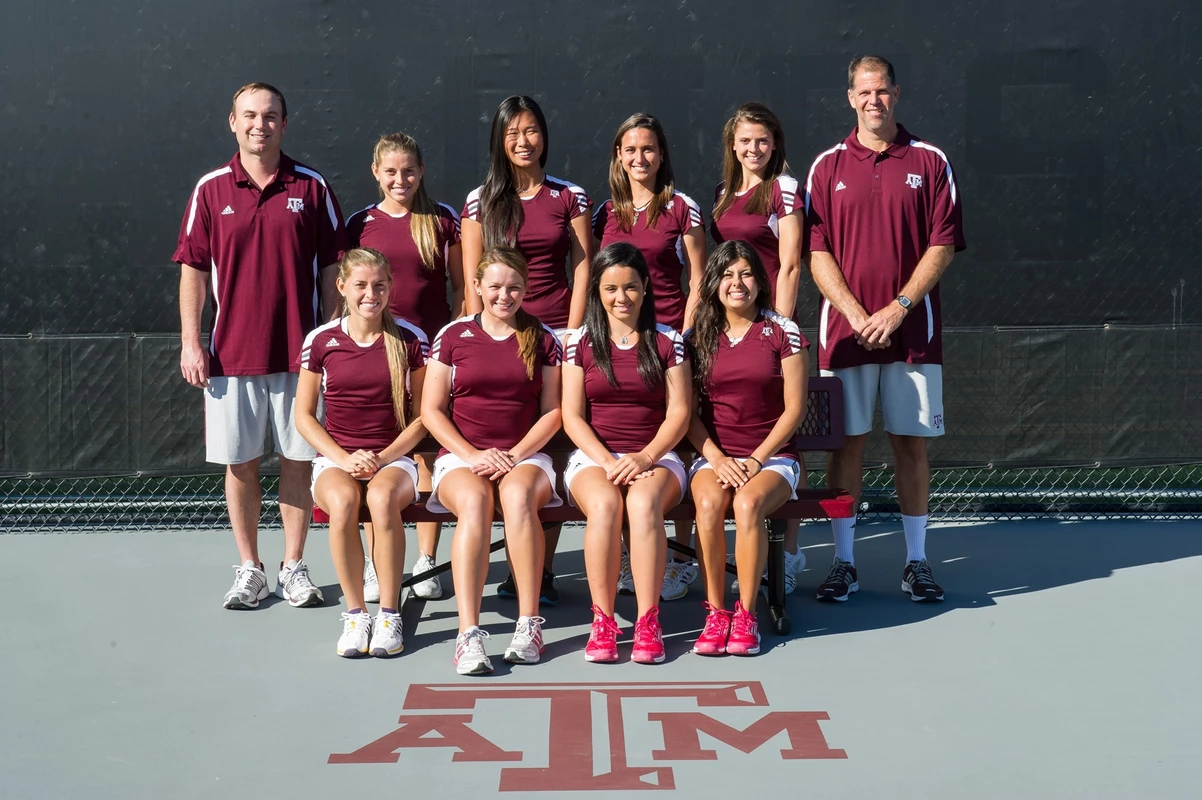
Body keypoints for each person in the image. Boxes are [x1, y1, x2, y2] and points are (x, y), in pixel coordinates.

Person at [174, 82, 346, 610]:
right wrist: (190, 342)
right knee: (241, 464)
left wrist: (330, 343)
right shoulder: (210, 189)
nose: (259, 124)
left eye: (270, 116)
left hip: (300, 359)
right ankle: (250, 568)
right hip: (230, 356)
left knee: (298, 462)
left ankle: (293, 566)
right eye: (249, 115)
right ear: (232, 121)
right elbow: (194, 270)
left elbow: (335, 269)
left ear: (284, 124)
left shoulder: (312, 187)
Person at [804, 55, 966, 603]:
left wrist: (897, 307)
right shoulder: (826, 167)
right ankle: (843, 562)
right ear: (850, 97)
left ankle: (916, 561)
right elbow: (816, 250)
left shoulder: (931, 159)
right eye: (863, 92)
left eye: (882, 91)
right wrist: (853, 313)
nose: (873, 100)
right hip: (845, 335)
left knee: (910, 444)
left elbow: (942, 245)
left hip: (912, 333)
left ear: (897, 93)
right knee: (845, 445)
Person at [460, 94, 593, 605]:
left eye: (531, 130)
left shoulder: (570, 197)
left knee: (553, 447)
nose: (522, 141)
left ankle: (535, 571)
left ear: (544, 136)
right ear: (499, 138)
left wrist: (572, 333)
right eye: (512, 132)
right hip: (499, 337)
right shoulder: (479, 201)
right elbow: (475, 281)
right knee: (510, 442)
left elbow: (583, 266)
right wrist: (483, 335)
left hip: (557, 335)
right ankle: (518, 562)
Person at [421, 246, 564, 675]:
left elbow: (553, 412)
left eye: (515, 287)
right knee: (475, 502)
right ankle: (469, 635)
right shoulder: (452, 336)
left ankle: (528, 625)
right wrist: (472, 455)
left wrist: (514, 455)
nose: (505, 295)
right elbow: (432, 410)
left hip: (526, 458)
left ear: (526, 289)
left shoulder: (542, 338)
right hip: (462, 458)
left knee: (518, 498)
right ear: (478, 287)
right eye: (496, 286)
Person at [592, 114, 705, 602]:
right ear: (619, 156)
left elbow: (699, 277)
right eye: (630, 149)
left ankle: (681, 559)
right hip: (616, 347)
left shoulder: (682, 208)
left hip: (668, 346)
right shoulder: (603, 214)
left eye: (649, 149)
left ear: (662, 155)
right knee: (622, 446)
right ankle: (624, 556)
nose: (640, 158)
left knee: (673, 451)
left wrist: (679, 337)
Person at [346, 132, 463, 604]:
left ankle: (426, 559)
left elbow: (462, 289)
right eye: (390, 171)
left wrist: (452, 350)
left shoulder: (442, 220)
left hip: (430, 356)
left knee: (427, 448)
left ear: (422, 171)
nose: (401, 179)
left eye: (409, 171)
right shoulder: (359, 223)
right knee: (384, 452)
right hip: (379, 351)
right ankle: (377, 563)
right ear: (375, 172)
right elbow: (350, 293)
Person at [294, 248, 428, 657]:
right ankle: (356, 614)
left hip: (395, 460)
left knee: (382, 497)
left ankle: (389, 613)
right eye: (361, 285)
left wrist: (383, 457)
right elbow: (303, 416)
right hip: (336, 461)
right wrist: (343, 458)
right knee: (344, 499)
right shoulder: (321, 340)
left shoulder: (410, 339)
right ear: (342, 287)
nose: (371, 294)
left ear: (390, 287)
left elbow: (424, 419)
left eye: (380, 285)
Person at [562, 244, 692, 664]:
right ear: (597, 291)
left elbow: (679, 413)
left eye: (631, 287)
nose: (622, 297)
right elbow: (571, 416)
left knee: (642, 501)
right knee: (603, 505)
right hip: (595, 458)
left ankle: (647, 620)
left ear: (646, 287)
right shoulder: (578, 341)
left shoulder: (669, 339)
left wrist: (645, 457)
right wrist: (607, 460)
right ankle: (602, 621)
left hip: (658, 456)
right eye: (611, 288)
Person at [686, 241, 808, 656]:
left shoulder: (783, 331)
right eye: (727, 274)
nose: (737, 283)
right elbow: (687, 412)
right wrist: (718, 459)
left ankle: (747, 615)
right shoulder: (696, 335)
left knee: (748, 505)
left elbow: (794, 410)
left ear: (760, 280)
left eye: (746, 274)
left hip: (772, 458)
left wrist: (757, 459)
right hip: (715, 457)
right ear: (714, 283)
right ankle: (716, 613)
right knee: (707, 507)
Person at [710, 101, 808, 594]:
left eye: (763, 141)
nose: (754, 149)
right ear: (733, 145)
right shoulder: (722, 194)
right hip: (730, 327)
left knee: (782, 423)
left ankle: (788, 555)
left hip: (769, 327)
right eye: (746, 141)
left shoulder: (784, 190)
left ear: (775, 146)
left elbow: (789, 264)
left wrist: (780, 325)